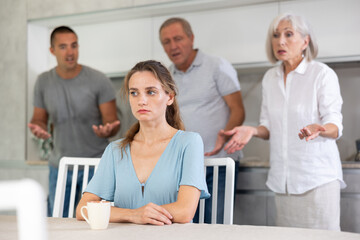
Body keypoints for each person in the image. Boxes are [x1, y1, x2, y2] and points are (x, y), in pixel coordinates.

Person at [221, 13, 345, 231]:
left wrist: (321, 128)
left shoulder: (321, 74)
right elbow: (267, 126)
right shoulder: (270, 78)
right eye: (276, 35)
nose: (280, 41)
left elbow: (335, 125)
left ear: (305, 41)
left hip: (317, 181)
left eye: (289, 34)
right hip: (283, 183)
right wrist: (252, 130)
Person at [76, 60, 210, 225]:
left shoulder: (189, 143)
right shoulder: (115, 150)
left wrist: (131, 214)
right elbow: (83, 209)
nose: (141, 100)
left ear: (170, 97)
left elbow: (184, 211)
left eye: (151, 92)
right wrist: (133, 215)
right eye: (134, 93)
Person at [159, 17, 245, 223]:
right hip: (184, 167)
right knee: (185, 225)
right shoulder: (167, 75)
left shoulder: (216, 66)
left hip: (219, 164)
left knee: (216, 225)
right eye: (166, 42)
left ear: (191, 38)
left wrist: (225, 137)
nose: (173, 46)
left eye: (178, 39)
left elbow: (238, 110)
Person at [28, 26, 120, 217]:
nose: (70, 52)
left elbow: (112, 121)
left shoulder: (98, 79)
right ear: (52, 51)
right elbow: (39, 119)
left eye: (74, 45)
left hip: (96, 164)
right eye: (63, 47)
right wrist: (39, 129)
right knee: (58, 219)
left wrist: (107, 130)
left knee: (97, 219)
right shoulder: (43, 81)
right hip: (60, 165)